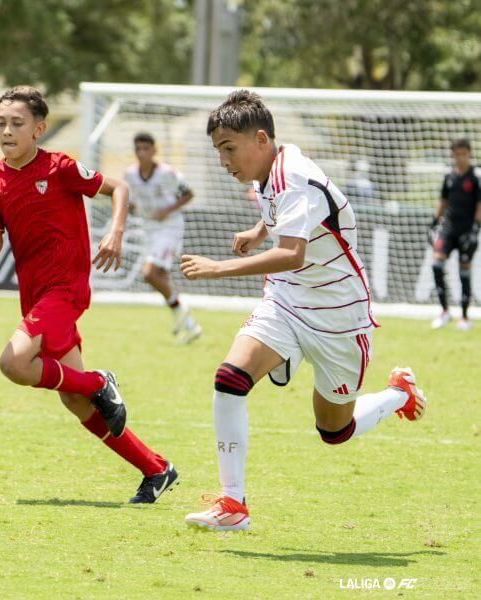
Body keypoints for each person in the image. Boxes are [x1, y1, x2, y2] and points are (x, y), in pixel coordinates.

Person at [180, 90, 426, 531]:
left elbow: (293, 253)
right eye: (218, 150)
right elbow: (287, 214)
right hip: (288, 299)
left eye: (228, 149)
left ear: (260, 139)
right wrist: (260, 230)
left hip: (338, 317)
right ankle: (233, 504)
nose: (223, 161)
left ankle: (398, 394)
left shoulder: (293, 175)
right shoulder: (270, 167)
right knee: (230, 378)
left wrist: (218, 268)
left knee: (335, 431)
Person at [0, 86, 178, 504]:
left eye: (17, 123)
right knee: (74, 398)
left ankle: (99, 381)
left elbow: (119, 189)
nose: (7, 131)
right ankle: (156, 469)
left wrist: (115, 232)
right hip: (34, 295)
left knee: (13, 363)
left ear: (39, 130)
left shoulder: (60, 167)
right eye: (1, 123)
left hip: (66, 288)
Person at [124, 132, 201, 344]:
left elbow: (188, 194)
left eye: (145, 149)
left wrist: (167, 209)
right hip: (148, 229)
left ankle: (181, 310)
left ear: (154, 150)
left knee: (149, 273)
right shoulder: (130, 175)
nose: (142, 153)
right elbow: (132, 202)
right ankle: (190, 325)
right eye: (138, 149)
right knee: (160, 277)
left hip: (169, 228)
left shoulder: (167, 173)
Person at [429, 138, 480, 331]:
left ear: (469, 154)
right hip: (448, 229)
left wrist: (476, 227)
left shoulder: (475, 178)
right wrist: (434, 222)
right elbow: (443, 201)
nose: (461, 158)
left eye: (464, 154)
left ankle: (464, 318)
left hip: (467, 230)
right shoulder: (449, 177)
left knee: (464, 272)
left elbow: (479, 204)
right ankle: (444, 311)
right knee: (436, 264)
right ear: (453, 156)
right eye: (457, 154)